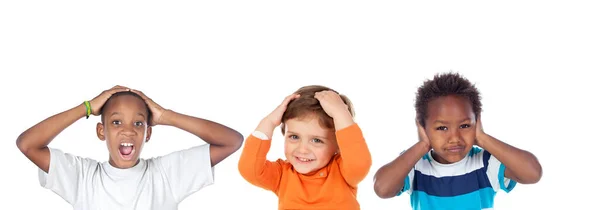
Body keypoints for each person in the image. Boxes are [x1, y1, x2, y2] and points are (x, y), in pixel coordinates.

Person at [16, 85, 244, 210]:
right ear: (101, 131)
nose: (128, 130)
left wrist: (166, 116)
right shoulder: (82, 178)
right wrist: (85, 107)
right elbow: (28, 144)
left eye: (138, 123)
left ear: (148, 133)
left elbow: (231, 141)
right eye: (116, 122)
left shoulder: (167, 174)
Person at [373, 72, 543, 210]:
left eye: (464, 125)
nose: (454, 138)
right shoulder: (415, 164)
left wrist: (482, 138)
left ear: (477, 121)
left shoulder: (485, 163)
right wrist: (423, 145)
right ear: (422, 127)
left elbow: (533, 173)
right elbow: (382, 188)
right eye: (442, 128)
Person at [238, 85, 372, 210]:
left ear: (339, 144)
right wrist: (269, 122)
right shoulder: (282, 174)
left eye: (316, 140)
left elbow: (359, 162)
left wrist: (340, 113)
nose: (302, 150)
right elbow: (249, 170)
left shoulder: (342, 171)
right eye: (294, 137)